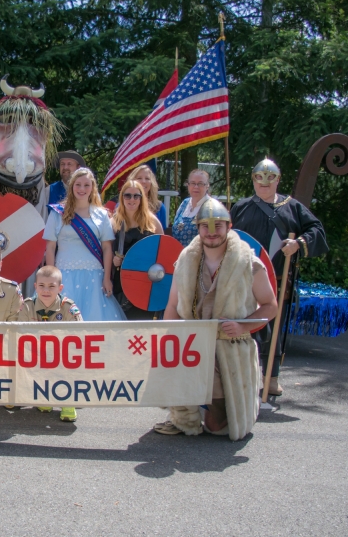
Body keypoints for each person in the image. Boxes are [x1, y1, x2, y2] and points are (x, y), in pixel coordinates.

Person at [154, 198, 278, 440]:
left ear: (228, 226)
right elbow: (172, 305)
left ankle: (214, 413)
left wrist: (243, 325)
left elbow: (271, 305)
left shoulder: (249, 264)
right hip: (192, 343)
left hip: (229, 345)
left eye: (218, 226)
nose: (211, 233)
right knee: (183, 405)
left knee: (218, 427)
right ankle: (182, 417)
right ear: (198, 228)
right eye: (205, 227)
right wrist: (167, 340)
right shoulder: (185, 262)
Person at [230, 158, 328, 396]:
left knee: (272, 328)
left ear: (278, 180)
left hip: (278, 281)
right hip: (244, 280)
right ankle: (242, 376)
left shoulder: (292, 207)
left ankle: (271, 378)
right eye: (259, 178)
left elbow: (317, 230)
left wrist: (298, 243)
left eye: (270, 177)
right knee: (243, 325)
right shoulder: (241, 207)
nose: (264, 182)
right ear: (253, 180)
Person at [44, 168, 126, 321]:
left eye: (86, 185)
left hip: (95, 277)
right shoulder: (57, 213)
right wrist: (51, 279)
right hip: (63, 275)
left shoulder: (101, 214)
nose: (82, 189)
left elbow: (107, 248)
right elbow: (50, 247)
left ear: (93, 188)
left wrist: (107, 278)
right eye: (78, 184)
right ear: (72, 186)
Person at [19, 265, 83, 422]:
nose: (46, 290)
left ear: (60, 288)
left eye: (51, 286)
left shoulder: (68, 308)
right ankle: (45, 397)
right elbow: (19, 334)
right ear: (35, 286)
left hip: (62, 355)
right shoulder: (27, 306)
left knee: (68, 366)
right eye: (41, 286)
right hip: (37, 354)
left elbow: (80, 335)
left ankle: (68, 402)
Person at [111, 179, 164, 320]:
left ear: (142, 198)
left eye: (136, 196)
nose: (132, 199)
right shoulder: (114, 223)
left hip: (145, 284)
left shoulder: (152, 222)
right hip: (121, 284)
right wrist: (113, 260)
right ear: (122, 198)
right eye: (127, 195)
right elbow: (106, 251)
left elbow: (163, 251)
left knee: (142, 328)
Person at [172, 169, 212, 246]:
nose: (196, 187)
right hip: (178, 255)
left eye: (200, 184)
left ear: (207, 186)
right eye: (193, 183)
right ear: (188, 185)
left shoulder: (211, 207)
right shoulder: (184, 203)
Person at [125, 165, 167, 229]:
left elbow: (161, 237)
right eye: (139, 178)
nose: (143, 181)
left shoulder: (160, 207)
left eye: (147, 179)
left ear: (152, 183)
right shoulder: (123, 205)